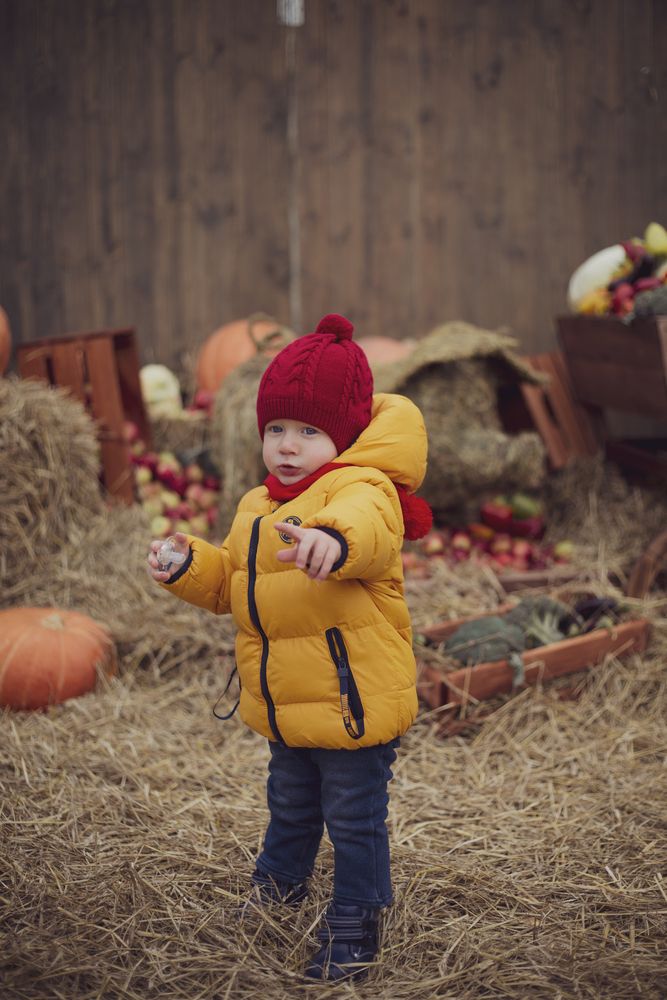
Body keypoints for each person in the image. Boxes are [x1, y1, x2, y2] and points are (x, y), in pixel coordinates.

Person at [147, 313, 430, 982]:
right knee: (291, 804)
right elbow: (234, 586)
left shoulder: (363, 490)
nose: (287, 445)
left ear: (345, 435)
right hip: (287, 704)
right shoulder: (257, 503)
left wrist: (331, 541)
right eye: (276, 429)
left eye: (308, 431)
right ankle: (277, 887)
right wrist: (189, 567)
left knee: (353, 817)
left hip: (350, 702)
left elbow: (367, 530)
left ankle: (357, 913)